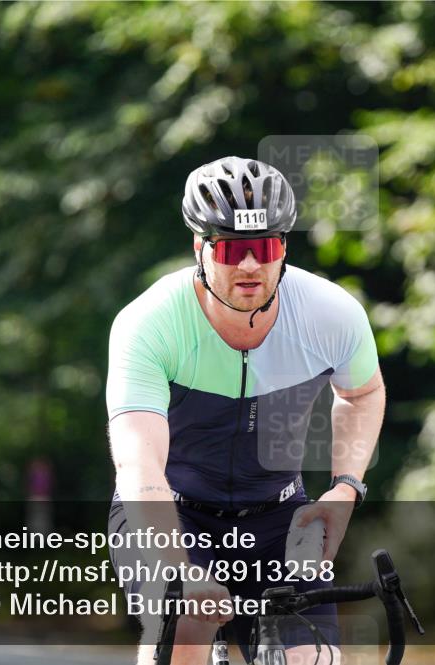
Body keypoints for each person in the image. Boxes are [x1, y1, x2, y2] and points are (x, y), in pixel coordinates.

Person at [107, 156, 385, 665]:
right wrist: (180, 569)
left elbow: (362, 393)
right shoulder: (149, 323)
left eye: (266, 247)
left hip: (279, 516)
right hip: (174, 511)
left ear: (285, 248)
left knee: (312, 659)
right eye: (234, 249)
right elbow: (139, 466)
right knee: (183, 633)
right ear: (200, 247)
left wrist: (345, 487)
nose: (252, 266)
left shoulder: (331, 314)